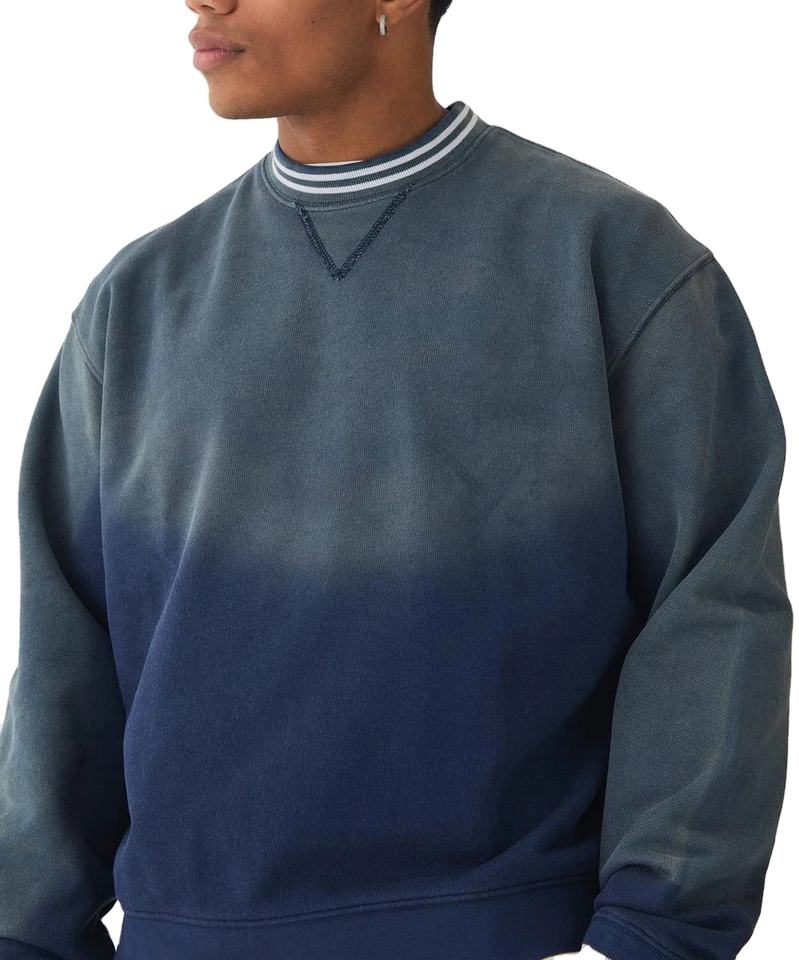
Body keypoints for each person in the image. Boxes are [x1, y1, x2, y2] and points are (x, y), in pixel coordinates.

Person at [0, 2, 791, 959]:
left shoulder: (611, 260)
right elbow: (64, 662)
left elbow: (713, 614)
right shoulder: (135, 301)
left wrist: (651, 935)